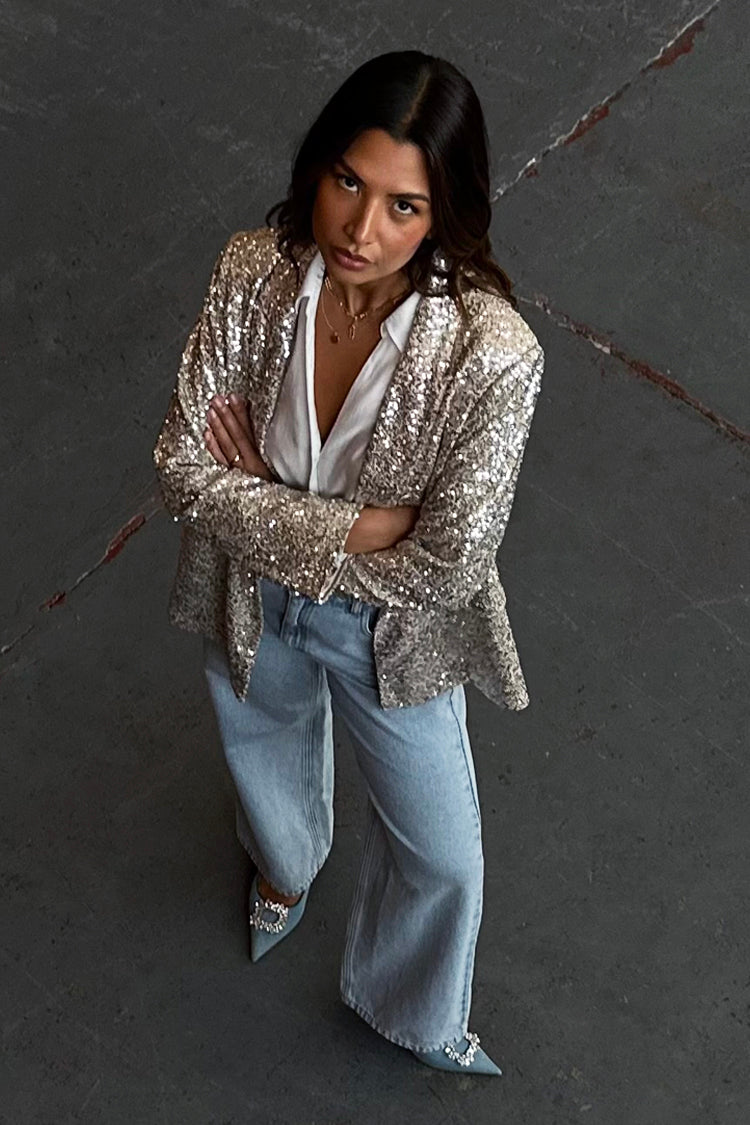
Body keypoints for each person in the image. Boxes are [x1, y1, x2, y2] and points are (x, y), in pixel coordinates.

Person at [152, 50, 544, 1077]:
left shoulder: (492, 355)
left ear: (445, 213)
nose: (361, 229)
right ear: (318, 166)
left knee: (440, 848)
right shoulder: (253, 270)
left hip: (389, 632)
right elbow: (181, 468)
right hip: (249, 590)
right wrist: (358, 526)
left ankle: (413, 1009)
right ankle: (285, 869)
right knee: (262, 745)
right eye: (347, 182)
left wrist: (263, 505)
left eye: (404, 206)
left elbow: (445, 566)